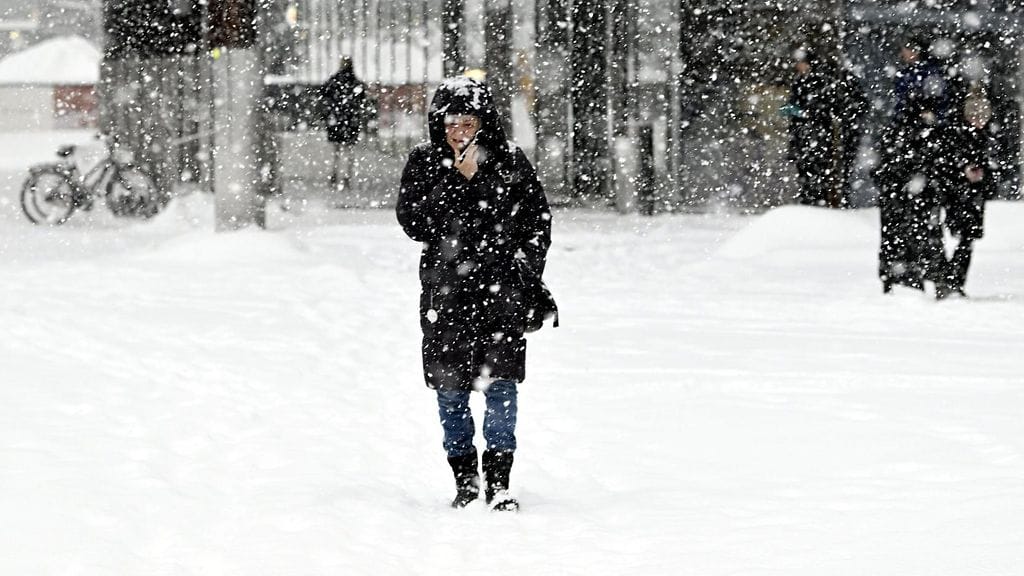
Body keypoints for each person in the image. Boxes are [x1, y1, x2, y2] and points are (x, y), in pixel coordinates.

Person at [396, 77, 553, 512]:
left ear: (484, 122)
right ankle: (465, 480)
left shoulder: (510, 163)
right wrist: (455, 182)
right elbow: (415, 223)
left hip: (501, 294)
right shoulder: (425, 163)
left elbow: (536, 224)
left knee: (501, 387)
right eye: (450, 123)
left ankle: (499, 482)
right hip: (446, 297)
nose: (459, 131)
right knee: (450, 391)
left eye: (468, 121)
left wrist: (525, 270)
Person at [873, 35, 962, 295]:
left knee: (917, 227)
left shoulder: (927, 79)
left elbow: (929, 110)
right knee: (917, 227)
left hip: (916, 168)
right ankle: (923, 275)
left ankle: (918, 275)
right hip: (912, 169)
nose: (904, 54)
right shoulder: (915, 80)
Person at [940, 88, 997, 298]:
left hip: (973, 195)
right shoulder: (957, 134)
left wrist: (982, 175)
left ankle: (955, 281)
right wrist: (964, 170)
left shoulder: (985, 136)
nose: (979, 120)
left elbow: (992, 165)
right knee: (959, 237)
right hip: (958, 194)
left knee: (967, 239)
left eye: (983, 116)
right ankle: (951, 279)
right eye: (974, 116)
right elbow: (948, 161)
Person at [784, 49, 835, 206]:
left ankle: (815, 200)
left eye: (801, 63)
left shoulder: (818, 82)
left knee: (815, 170)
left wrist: (802, 112)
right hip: (804, 134)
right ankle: (809, 199)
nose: (798, 66)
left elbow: (820, 108)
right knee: (805, 171)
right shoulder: (799, 82)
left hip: (814, 134)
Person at [321, 56, 367, 201]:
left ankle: (335, 175)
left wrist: (329, 114)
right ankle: (347, 176)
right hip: (350, 119)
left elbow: (325, 95)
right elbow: (362, 99)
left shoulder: (334, 81)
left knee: (337, 150)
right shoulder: (355, 83)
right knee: (349, 150)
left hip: (337, 119)